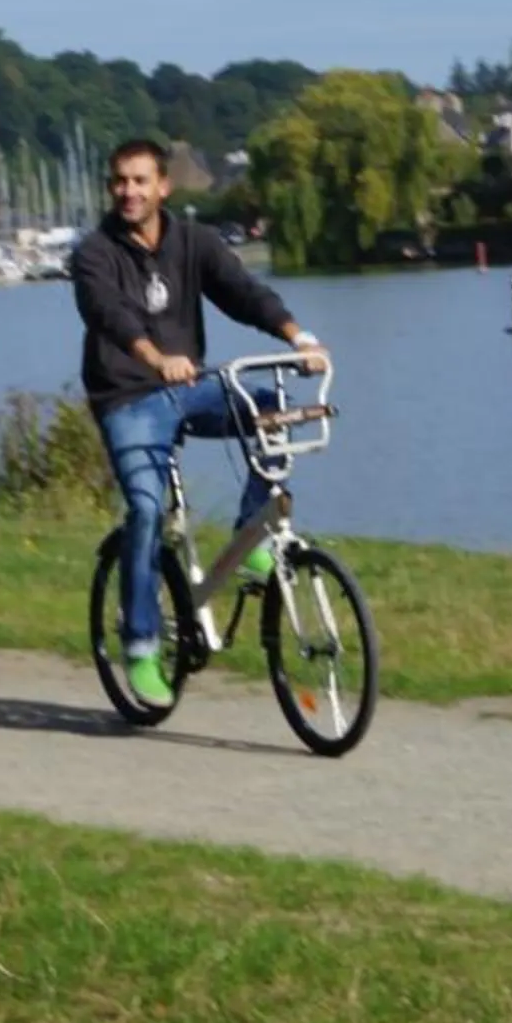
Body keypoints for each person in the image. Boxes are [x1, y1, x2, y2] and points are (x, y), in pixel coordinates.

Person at [72, 137, 325, 709]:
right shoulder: (93, 253)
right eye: (120, 181)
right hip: (127, 398)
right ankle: (139, 644)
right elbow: (106, 313)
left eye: (140, 181)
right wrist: (155, 357)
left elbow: (243, 293)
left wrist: (297, 337)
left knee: (271, 409)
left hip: (189, 388)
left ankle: (251, 538)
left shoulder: (194, 243)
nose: (128, 191)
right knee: (144, 509)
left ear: (164, 187)